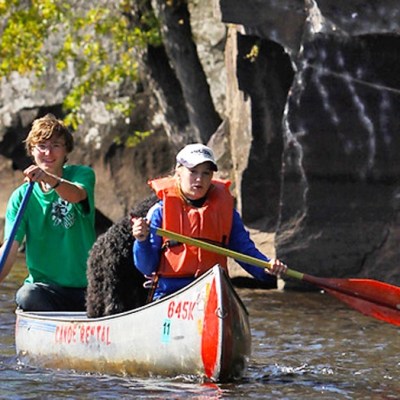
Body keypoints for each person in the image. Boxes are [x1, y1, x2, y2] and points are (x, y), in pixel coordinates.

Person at [131, 143, 287, 300]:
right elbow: (146, 266)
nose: (199, 179)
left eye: (206, 173)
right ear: (179, 173)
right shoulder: (159, 212)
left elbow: (245, 251)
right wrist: (141, 240)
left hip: (213, 292)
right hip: (171, 294)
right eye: (193, 172)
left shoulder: (227, 213)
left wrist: (266, 267)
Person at [0, 114, 96, 311]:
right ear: (32, 151)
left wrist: (49, 179)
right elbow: (9, 250)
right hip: (46, 291)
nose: (48, 152)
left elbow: (76, 195)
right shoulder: (21, 197)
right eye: (42, 146)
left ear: (66, 150)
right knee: (25, 295)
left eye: (56, 145)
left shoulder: (82, 174)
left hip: (86, 288)